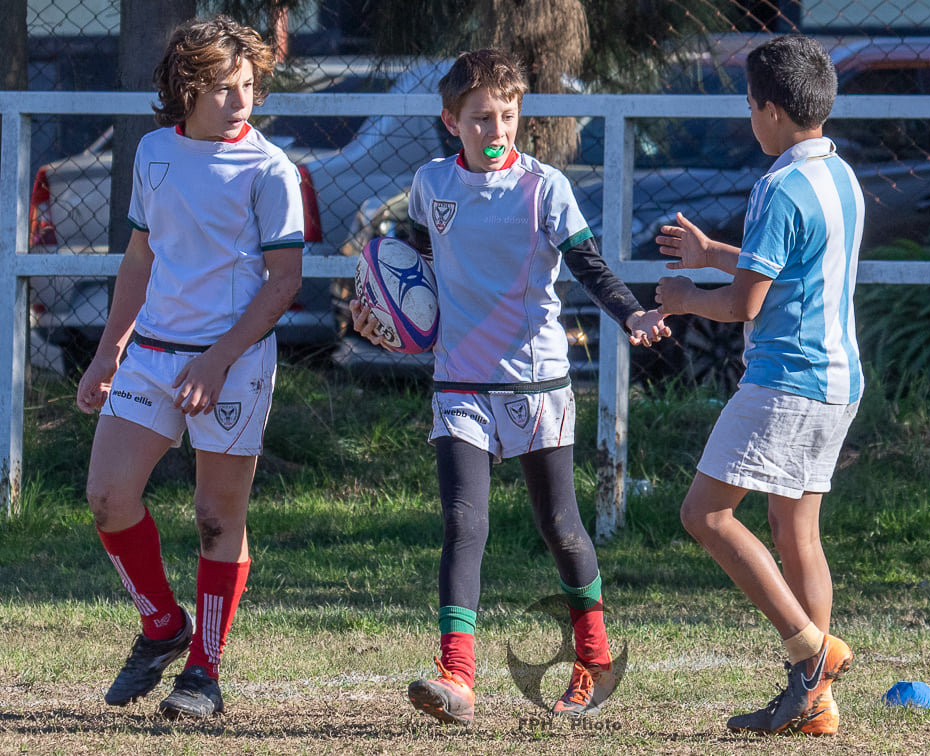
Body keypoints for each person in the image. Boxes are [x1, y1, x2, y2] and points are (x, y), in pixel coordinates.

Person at [350, 48, 669, 725]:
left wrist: (633, 313)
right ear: (450, 121)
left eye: (508, 116)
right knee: (464, 522)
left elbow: (589, 266)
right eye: (481, 118)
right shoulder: (431, 185)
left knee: (560, 526)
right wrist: (380, 318)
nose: (496, 130)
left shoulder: (544, 186)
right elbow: (417, 280)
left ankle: (594, 657)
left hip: (536, 380)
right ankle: (457, 677)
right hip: (459, 380)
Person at [75, 16, 304, 720]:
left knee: (214, 516)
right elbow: (141, 259)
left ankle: (204, 671)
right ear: (186, 90)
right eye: (225, 89)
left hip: (232, 361)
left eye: (249, 87)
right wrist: (109, 352)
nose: (242, 101)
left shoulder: (271, 169)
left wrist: (219, 357)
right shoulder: (153, 153)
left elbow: (284, 281)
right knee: (109, 498)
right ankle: (161, 626)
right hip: (152, 355)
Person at [654, 34, 863, 737]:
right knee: (795, 528)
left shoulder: (776, 185)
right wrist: (720, 254)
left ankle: (813, 652)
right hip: (837, 379)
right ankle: (815, 706)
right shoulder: (838, 175)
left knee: (704, 515)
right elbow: (792, 264)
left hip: (786, 378)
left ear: (769, 111)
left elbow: (744, 305)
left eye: (749, 105)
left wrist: (685, 294)